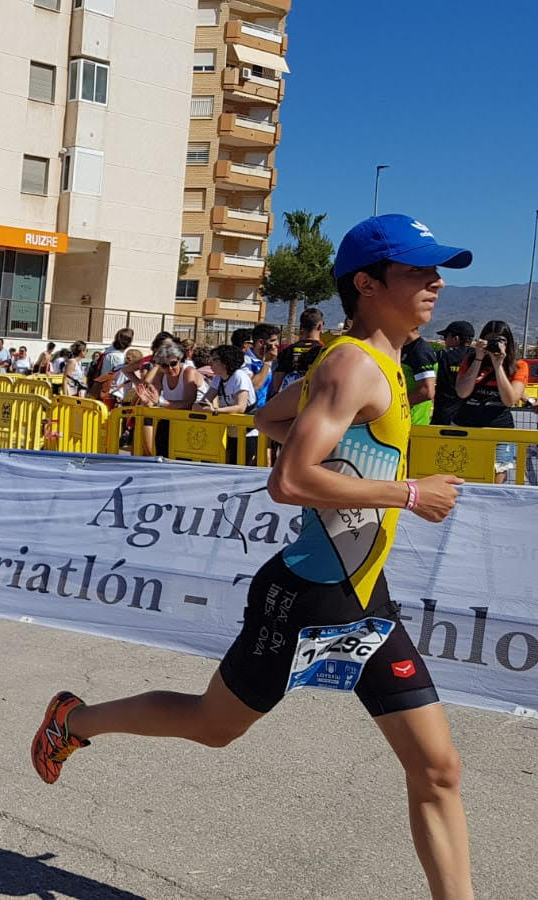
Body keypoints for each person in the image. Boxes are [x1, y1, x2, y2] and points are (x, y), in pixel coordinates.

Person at [32, 214, 474, 900]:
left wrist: (342, 456)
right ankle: (73, 720)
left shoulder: (365, 363)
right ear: (368, 283)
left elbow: (270, 422)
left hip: (362, 601)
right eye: (418, 271)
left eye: (436, 271)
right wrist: (408, 492)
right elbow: (289, 479)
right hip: (304, 598)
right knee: (213, 728)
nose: (436, 284)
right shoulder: (355, 365)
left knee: (438, 769)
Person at [453, 319, 528, 483]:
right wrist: (479, 358)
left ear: (508, 343)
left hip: (499, 430)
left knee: (496, 479)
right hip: (467, 427)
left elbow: (510, 400)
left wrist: (498, 365)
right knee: (464, 475)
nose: (495, 345)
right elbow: (462, 392)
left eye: (500, 341)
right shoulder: (471, 360)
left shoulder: (519, 366)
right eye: (491, 340)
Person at [267, 306, 325, 400]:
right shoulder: (324, 352)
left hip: (286, 402)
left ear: (301, 326)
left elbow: (276, 384)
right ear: (320, 326)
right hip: (310, 403)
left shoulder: (287, 351)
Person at [430, 320, 474, 426]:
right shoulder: (477, 357)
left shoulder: (442, 355)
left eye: (446, 337)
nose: (444, 341)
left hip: (443, 413)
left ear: (456, 338)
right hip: (470, 414)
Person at [195, 344, 256, 414]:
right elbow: (205, 401)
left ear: (225, 361)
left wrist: (215, 410)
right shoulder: (218, 378)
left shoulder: (239, 376)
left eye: (214, 360)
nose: (210, 363)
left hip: (247, 419)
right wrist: (199, 405)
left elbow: (241, 407)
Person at [400, 326, 439, 425]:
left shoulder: (419, 351)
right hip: (404, 418)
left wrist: (395, 408)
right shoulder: (405, 348)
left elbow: (427, 391)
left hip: (412, 420)